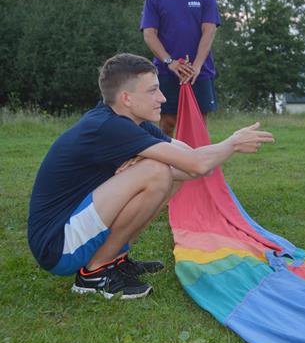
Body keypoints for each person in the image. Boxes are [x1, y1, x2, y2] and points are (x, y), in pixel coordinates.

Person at [27, 54, 273, 300]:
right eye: (153, 90)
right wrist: (232, 143)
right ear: (127, 98)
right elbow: (197, 164)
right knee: (157, 171)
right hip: (57, 245)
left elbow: (192, 164)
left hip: (75, 229)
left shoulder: (133, 123)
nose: (163, 98)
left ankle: (115, 259)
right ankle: (94, 274)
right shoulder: (109, 126)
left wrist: (155, 160)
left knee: (169, 172)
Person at [140, 0, 221, 136]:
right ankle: (167, 156)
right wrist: (170, 62)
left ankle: (198, 157)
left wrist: (197, 66)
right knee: (168, 122)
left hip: (199, 72)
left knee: (199, 123)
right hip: (167, 71)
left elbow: (209, 31)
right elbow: (149, 34)